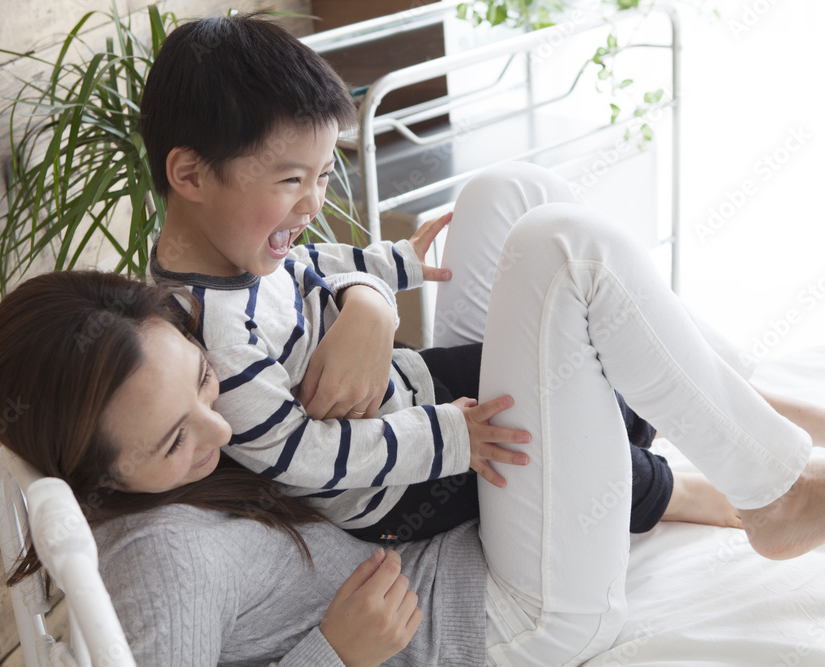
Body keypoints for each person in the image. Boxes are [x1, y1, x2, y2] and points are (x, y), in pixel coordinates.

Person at [0, 211, 825, 665]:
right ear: (100, 477)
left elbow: (303, 276)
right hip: (497, 616)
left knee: (505, 202)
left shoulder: (215, 397)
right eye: (174, 440)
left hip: (454, 515)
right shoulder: (158, 565)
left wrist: (371, 301)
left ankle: (762, 446)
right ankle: (781, 495)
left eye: (204, 381)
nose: (220, 425)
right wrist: (334, 653)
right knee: (564, 253)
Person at [134, 12, 740, 544]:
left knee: (574, 369)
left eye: (323, 176)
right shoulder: (212, 337)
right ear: (189, 175)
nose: (312, 204)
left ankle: (645, 426)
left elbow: (309, 267)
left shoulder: (239, 255)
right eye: (292, 180)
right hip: (395, 488)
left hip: (413, 386)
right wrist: (453, 438)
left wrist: (390, 266)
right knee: (548, 440)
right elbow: (304, 456)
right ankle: (678, 495)